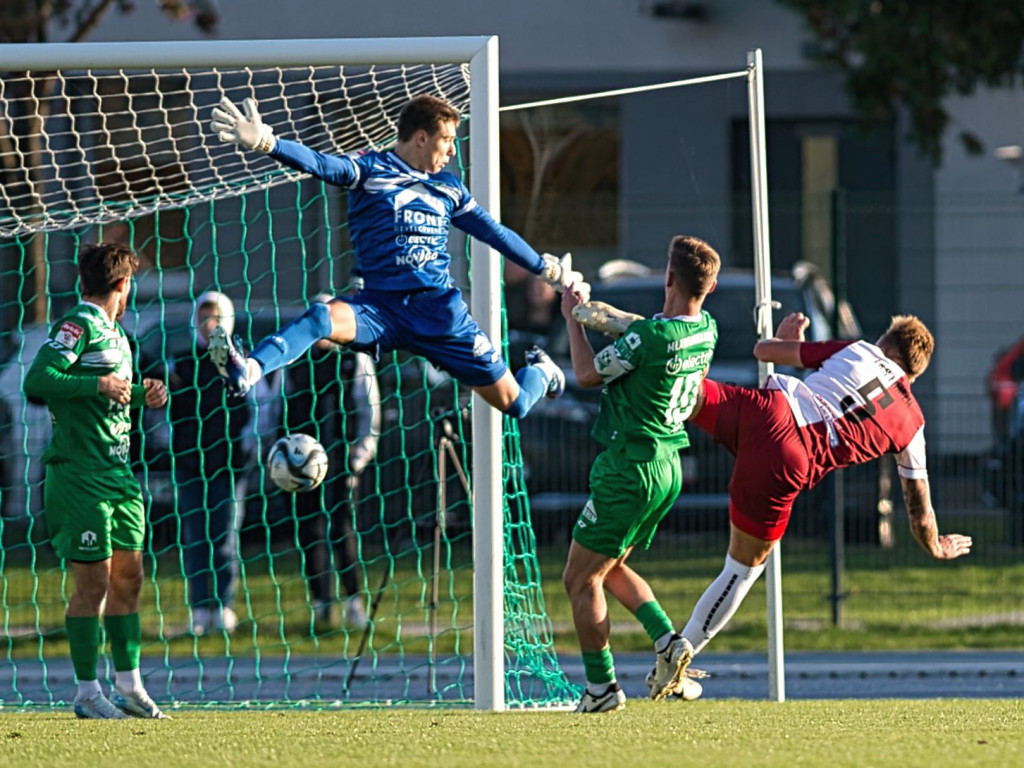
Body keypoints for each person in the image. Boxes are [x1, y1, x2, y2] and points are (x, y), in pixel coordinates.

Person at [648, 311, 974, 700]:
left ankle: (634, 346)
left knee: (687, 389)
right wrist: (936, 545)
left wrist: (784, 339)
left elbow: (763, 350)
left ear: (885, 342)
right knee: (741, 570)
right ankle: (681, 653)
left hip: (766, 409)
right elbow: (920, 511)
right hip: (790, 458)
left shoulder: (859, 350)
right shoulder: (912, 422)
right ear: (913, 375)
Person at [206, 94, 589, 419]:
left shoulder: (449, 189)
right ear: (422, 138)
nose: (453, 150)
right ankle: (250, 369)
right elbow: (321, 164)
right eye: (448, 139)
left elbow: (495, 232)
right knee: (322, 316)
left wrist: (547, 269)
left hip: (440, 314)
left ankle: (543, 372)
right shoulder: (370, 169)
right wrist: (267, 143)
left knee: (516, 403)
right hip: (381, 308)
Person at [559, 235, 721, 713]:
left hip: (629, 465)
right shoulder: (706, 330)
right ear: (707, 290)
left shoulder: (650, 339)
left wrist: (574, 320)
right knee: (606, 569)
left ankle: (602, 688)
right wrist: (595, 311)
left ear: (668, 278)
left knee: (578, 579)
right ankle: (668, 641)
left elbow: (588, 375)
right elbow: (644, 332)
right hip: (667, 465)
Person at [23, 242, 170, 719]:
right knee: (94, 584)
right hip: (80, 475)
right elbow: (38, 381)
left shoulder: (118, 336)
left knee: (129, 578)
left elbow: (109, 397)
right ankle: (87, 694)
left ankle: (129, 686)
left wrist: (138, 396)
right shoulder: (79, 324)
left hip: (119, 475)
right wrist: (98, 384)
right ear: (123, 285)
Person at [284, 294, 380, 630]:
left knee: (342, 529)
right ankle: (322, 603)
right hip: (302, 465)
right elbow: (278, 408)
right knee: (310, 531)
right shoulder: (296, 361)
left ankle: (355, 601)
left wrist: (360, 455)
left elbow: (369, 411)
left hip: (341, 461)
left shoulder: (355, 360)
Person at [167, 291, 254, 635]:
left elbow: (254, 408)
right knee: (195, 538)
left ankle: (224, 605)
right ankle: (200, 609)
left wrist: (247, 446)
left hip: (229, 464)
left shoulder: (239, 363)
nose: (209, 325)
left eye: (215, 318)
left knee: (224, 537)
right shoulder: (183, 363)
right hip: (191, 463)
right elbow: (171, 412)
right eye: (203, 318)